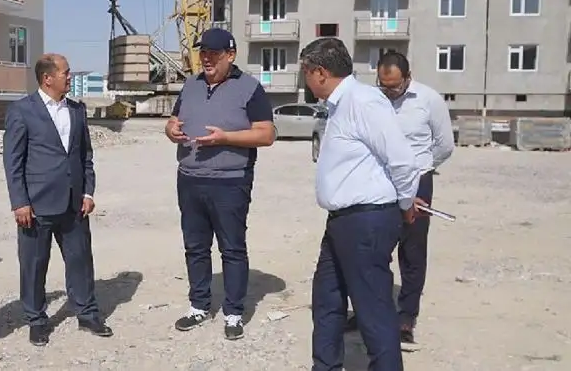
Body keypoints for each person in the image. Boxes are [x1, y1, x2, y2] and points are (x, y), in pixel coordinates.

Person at [300, 38, 421, 371]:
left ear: (320, 73)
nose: (305, 80)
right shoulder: (340, 104)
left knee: (372, 310)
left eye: (305, 72)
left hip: (365, 222)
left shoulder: (363, 101)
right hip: (342, 221)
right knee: (326, 301)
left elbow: (402, 161)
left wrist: (405, 203)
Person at [165, 28, 275, 341]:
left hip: (230, 182)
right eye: (203, 53)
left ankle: (233, 312)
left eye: (214, 53)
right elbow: (172, 120)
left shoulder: (250, 88)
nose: (207, 59)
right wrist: (170, 129)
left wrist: (225, 138)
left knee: (232, 248)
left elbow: (267, 134)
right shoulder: (190, 85)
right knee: (195, 247)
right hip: (189, 179)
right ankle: (199, 306)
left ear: (231, 55)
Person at [3, 53, 112, 347]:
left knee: (80, 260)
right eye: (66, 72)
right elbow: (13, 162)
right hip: (36, 205)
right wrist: (19, 202)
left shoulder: (77, 110)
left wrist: (88, 191)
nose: (70, 77)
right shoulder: (22, 110)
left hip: (74, 203)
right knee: (34, 264)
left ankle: (87, 313)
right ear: (47, 78)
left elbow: (85, 155)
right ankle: (36, 320)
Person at [374, 51, 454, 349]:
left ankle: (406, 317)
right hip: (381, 181)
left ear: (408, 78)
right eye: (384, 86)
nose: (390, 92)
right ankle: (373, 309)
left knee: (413, 250)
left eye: (395, 86)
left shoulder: (429, 99)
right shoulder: (374, 100)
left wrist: (421, 168)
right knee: (375, 247)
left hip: (419, 181)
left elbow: (445, 145)